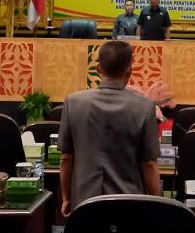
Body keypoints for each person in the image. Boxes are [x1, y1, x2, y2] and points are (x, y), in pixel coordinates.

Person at [58, 41, 160, 216]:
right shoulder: (144, 107)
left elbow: (66, 158)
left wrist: (67, 197)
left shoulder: (73, 103)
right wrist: (157, 202)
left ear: (98, 69)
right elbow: (149, 164)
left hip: (84, 203)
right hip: (128, 204)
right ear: (129, 71)